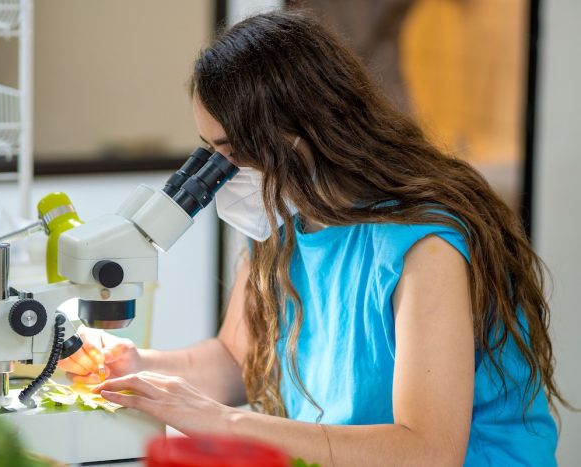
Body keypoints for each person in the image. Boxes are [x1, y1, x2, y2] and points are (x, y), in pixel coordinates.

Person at [59, 11, 563, 466]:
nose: (222, 174)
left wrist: (221, 420)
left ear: (302, 136)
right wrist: (132, 365)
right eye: (210, 152)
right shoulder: (279, 226)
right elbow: (234, 361)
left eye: (232, 152)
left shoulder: (424, 247)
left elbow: (427, 452)